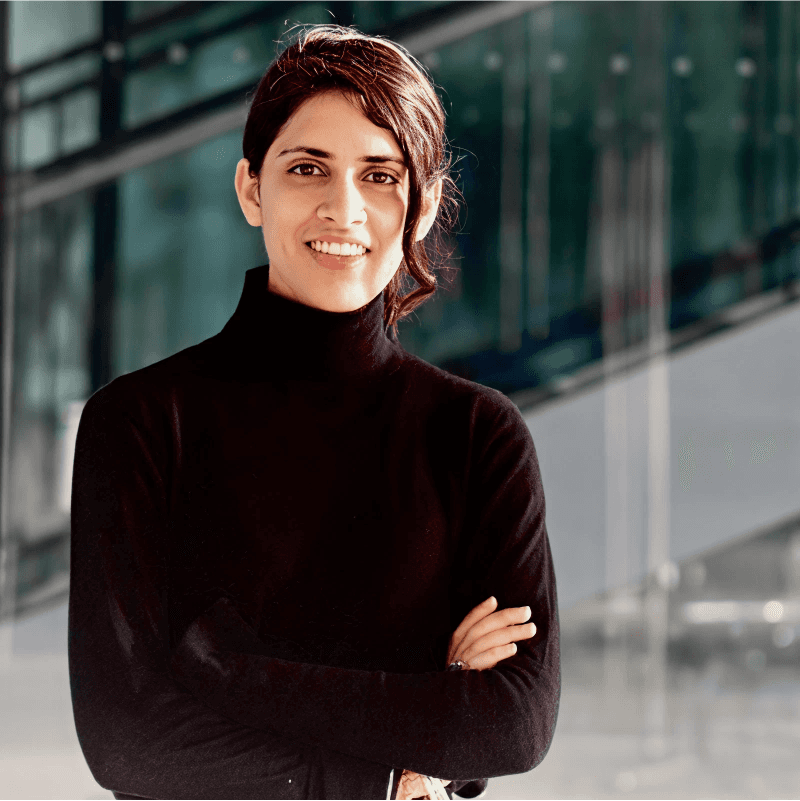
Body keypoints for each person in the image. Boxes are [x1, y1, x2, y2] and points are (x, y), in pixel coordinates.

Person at [68, 24, 560, 800]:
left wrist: (224, 671)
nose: (344, 208)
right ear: (251, 189)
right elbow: (125, 741)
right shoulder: (137, 422)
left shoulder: (476, 435)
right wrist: (400, 748)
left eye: (380, 175)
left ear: (424, 208)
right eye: (307, 168)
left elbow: (512, 725)